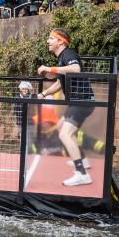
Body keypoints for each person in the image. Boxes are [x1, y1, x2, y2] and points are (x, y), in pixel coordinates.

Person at [37, 28, 95, 186]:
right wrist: (43, 94)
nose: (48, 41)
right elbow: (59, 83)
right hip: (80, 101)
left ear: (61, 42)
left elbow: (76, 69)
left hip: (82, 101)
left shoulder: (68, 54)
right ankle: (83, 160)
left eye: (51, 38)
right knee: (63, 126)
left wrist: (49, 69)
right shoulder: (62, 58)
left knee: (64, 134)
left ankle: (81, 173)